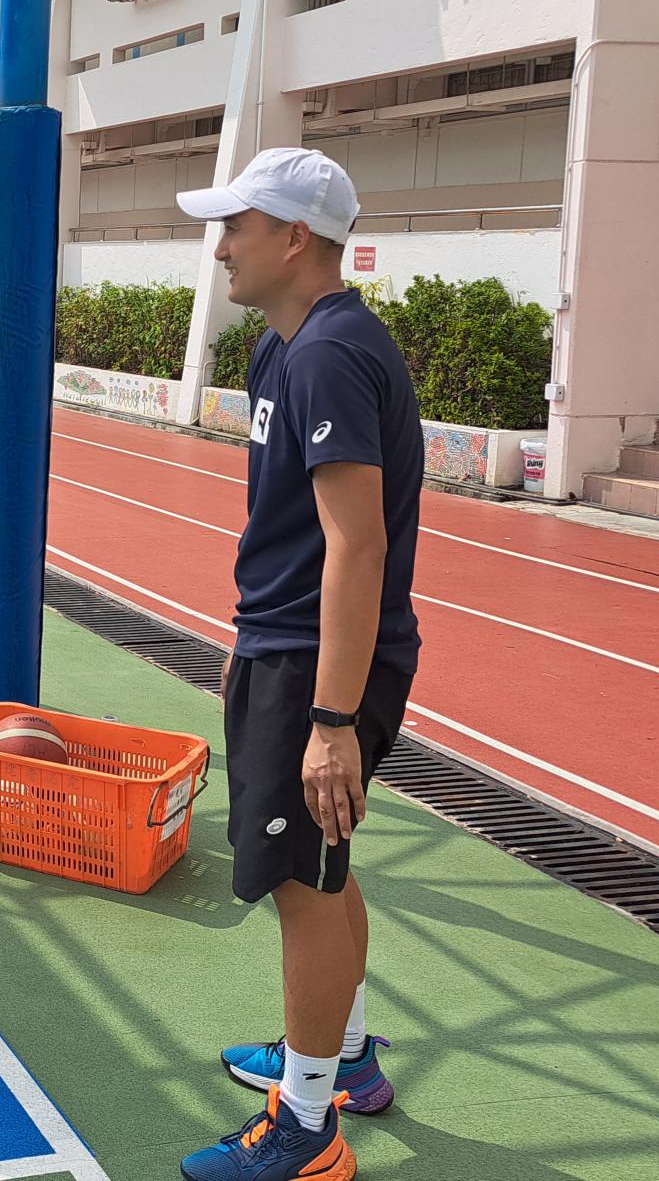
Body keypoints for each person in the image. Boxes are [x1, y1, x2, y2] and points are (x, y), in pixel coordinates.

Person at [173, 149, 423, 1181]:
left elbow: (357, 547)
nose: (220, 249)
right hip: (285, 648)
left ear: (295, 237)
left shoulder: (327, 355)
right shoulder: (283, 350)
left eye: (236, 227)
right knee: (323, 870)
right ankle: (344, 1056)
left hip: (319, 664)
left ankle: (308, 1127)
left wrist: (329, 720)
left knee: (300, 887)